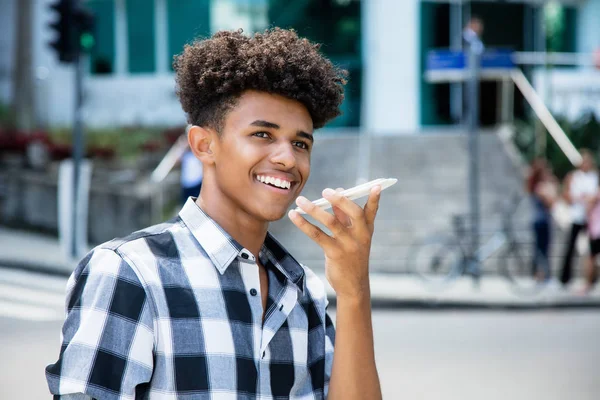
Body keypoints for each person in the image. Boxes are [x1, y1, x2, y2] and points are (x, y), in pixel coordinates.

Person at [46, 28, 383, 399]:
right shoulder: (131, 273)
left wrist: (353, 291)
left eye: (300, 143)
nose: (288, 158)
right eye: (263, 135)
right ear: (204, 145)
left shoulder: (302, 292)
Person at [560, 150, 599, 286]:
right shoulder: (574, 176)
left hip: (591, 219)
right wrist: (578, 198)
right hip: (577, 216)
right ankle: (565, 278)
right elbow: (566, 195)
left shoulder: (594, 177)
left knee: (592, 251)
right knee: (570, 247)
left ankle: (592, 279)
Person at [583, 171, 600, 293]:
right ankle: (589, 283)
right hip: (596, 230)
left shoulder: (597, 193)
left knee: (591, 257)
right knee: (592, 257)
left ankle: (588, 284)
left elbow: (588, 208)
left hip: (596, 230)